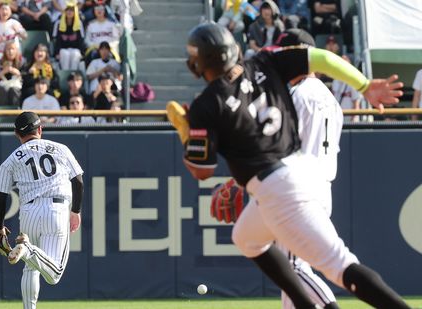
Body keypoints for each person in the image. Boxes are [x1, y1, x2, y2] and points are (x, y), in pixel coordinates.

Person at [171, 23, 408, 309]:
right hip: (301, 171)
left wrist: (187, 133)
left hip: (278, 188)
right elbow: (323, 58)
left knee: (338, 266)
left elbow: (202, 170)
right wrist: (365, 86)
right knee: (245, 238)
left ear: (198, 62)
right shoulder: (263, 62)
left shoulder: (207, 105)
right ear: (233, 50)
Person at [274, 28, 341, 309]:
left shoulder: (297, 95)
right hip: (321, 187)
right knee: (290, 270)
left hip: (299, 189)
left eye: (284, 54)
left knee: (291, 268)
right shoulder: (331, 99)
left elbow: (284, 147)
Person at [0, 111, 84, 309]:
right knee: (54, 274)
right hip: (56, 209)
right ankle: (28, 249)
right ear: (40, 129)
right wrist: (75, 211)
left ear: (17, 134)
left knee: (31, 268)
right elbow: (78, 181)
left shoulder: (11, 160)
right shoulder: (60, 149)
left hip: (28, 212)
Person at [52, 1, 85, 71]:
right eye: (67, 10)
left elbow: (81, 40)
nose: (69, 12)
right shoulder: (58, 23)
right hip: (63, 49)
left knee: (75, 54)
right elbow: (56, 40)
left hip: (75, 49)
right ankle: (65, 74)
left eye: (72, 10)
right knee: (65, 54)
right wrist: (57, 53)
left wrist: (82, 53)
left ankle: (73, 74)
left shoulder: (79, 23)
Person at [0, 41, 24, 106]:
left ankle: (15, 113)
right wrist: (4, 71)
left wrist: (17, 72)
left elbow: (25, 78)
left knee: (13, 90)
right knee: (2, 89)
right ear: (4, 51)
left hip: (16, 87)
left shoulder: (21, 63)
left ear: (16, 51)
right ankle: (2, 114)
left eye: (13, 49)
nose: (10, 51)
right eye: (8, 49)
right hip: (1, 87)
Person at [331, 55, 362, 122]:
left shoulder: (353, 80)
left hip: (349, 119)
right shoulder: (335, 80)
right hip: (337, 118)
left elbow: (356, 104)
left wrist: (354, 119)